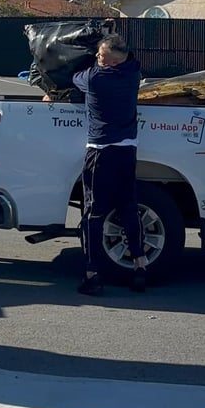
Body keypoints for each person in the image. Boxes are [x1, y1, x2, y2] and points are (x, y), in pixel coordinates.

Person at [72, 34, 146, 296]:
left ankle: (92, 274)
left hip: (101, 151)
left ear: (113, 62)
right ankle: (139, 265)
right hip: (127, 150)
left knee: (94, 213)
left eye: (101, 56)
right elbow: (132, 60)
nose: (96, 58)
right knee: (128, 207)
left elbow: (74, 77)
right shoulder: (133, 75)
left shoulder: (94, 79)